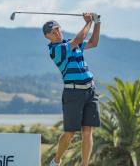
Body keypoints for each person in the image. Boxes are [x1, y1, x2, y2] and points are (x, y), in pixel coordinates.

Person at [43, 12, 101, 166]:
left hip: (90, 91)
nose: (57, 33)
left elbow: (94, 42)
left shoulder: (72, 43)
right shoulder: (56, 50)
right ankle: (56, 161)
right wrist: (88, 22)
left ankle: (84, 164)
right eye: (52, 32)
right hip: (73, 93)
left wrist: (97, 22)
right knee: (70, 133)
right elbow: (79, 39)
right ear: (47, 37)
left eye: (58, 29)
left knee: (87, 131)